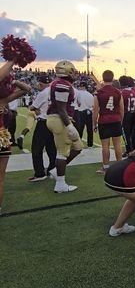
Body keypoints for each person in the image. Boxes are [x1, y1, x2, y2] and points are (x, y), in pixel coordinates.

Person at [46, 60, 83, 193]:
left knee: (78, 147)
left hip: (60, 118)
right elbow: (61, 109)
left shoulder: (61, 83)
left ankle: (56, 171)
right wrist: (69, 126)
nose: (75, 74)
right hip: (60, 119)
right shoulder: (62, 84)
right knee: (62, 152)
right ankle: (60, 184)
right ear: (68, 71)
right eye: (73, 71)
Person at [0, 77, 32, 213]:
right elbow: (27, 89)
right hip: (1, 137)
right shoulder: (3, 101)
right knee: (0, 176)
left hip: (3, 137)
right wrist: (12, 81)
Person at [93, 70, 124, 174]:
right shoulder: (118, 92)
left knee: (105, 146)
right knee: (117, 145)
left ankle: (106, 167)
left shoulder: (99, 93)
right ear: (112, 77)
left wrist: (94, 123)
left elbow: (95, 110)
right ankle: (120, 166)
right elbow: (122, 109)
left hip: (104, 120)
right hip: (115, 120)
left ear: (103, 77)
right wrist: (121, 120)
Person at [27, 75, 57, 182]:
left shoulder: (43, 93)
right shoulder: (54, 91)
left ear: (41, 84)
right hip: (53, 122)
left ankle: (39, 173)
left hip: (43, 122)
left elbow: (32, 107)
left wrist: (35, 109)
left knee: (36, 148)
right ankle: (52, 170)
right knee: (52, 148)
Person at [75, 81, 94, 147]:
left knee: (79, 129)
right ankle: (90, 144)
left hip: (80, 112)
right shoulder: (90, 95)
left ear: (80, 86)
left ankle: (78, 144)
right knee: (89, 130)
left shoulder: (77, 93)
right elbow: (92, 105)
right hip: (88, 112)